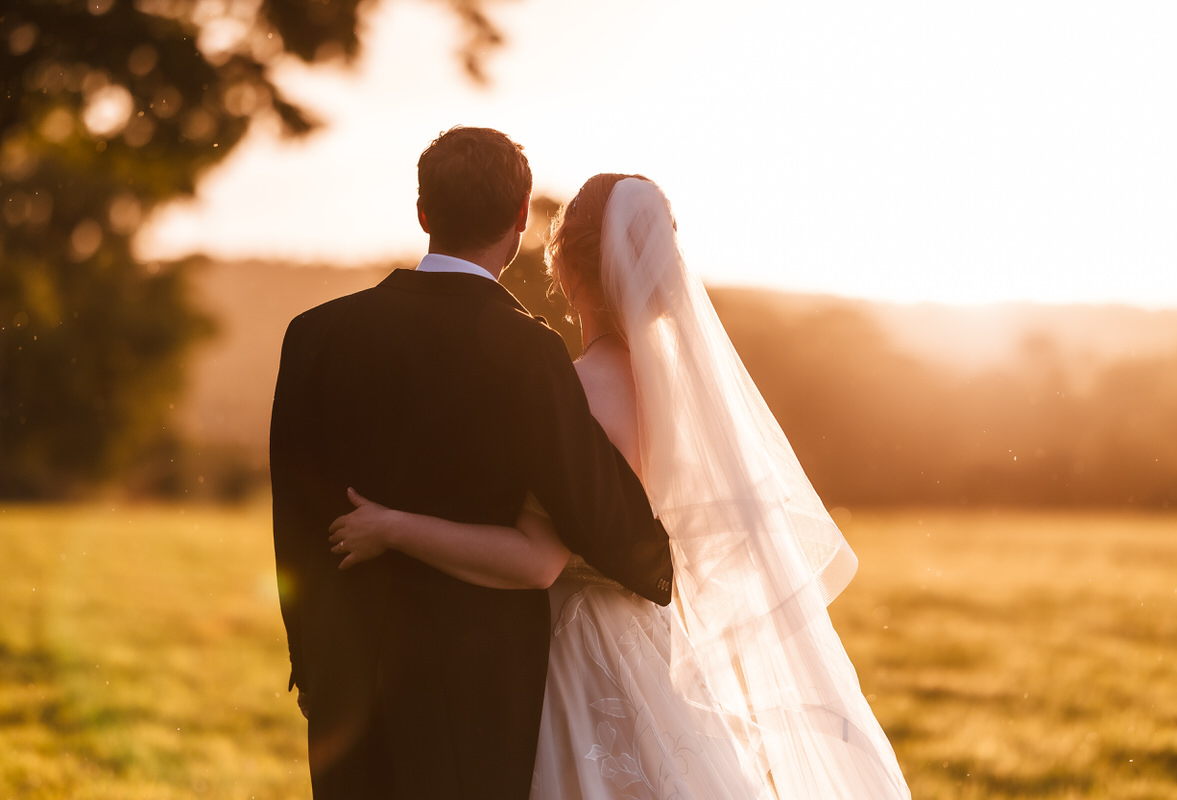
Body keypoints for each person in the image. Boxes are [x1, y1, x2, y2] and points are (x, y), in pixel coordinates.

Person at [329, 174, 912, 798]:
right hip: (654, 646)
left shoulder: (575, 390)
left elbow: (537, 560)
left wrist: (392, 526)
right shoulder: (685, 402)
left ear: (568, 269)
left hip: (570, 653)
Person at [270, 134, 673, 800]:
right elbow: (590, 504)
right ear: (521, 216)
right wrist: (653, 561)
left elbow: (295, 515)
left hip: (348, 676)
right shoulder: (529, 351)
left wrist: (312, 665)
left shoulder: (314, 334)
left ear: (423, 211)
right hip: (477, 689)